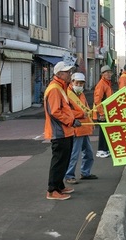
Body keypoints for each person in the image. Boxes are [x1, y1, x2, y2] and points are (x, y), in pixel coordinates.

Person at [44, 61, 80, 200]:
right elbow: (55, 112)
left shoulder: (61, 87)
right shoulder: (54, 89)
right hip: (59, 132)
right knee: (59, 161)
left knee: (63, 160)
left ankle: (59, 186)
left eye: (70, 71)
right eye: (67, 72)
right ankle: (52, 190)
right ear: (59, 74)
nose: (70, 74)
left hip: (65, 130)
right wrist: (71, 121)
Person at [64, 73, 98, 184]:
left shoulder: (81, 93)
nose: (79, 85)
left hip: (84, 127)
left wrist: (91, 122)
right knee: (74, 155)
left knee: (88, 153)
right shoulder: (67, 94)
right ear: (72, 82)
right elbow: (67, 111)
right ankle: (69, 175)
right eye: (77, 82)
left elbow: (87, 109)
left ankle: (85, 172)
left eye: (81, 83)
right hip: (76, 128)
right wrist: (80, 114)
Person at [93, 65, 113, 158]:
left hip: (106, 112)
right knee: (103, 132)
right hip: (102, 113)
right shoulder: (101, 84)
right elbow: (97, 100)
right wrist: (101, 113)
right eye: (107, 73)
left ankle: (105, 150)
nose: (109, 74)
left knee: (106, 131)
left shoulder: (107, 83)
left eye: (110, 72)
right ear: (102, 74)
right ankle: (101, 150)